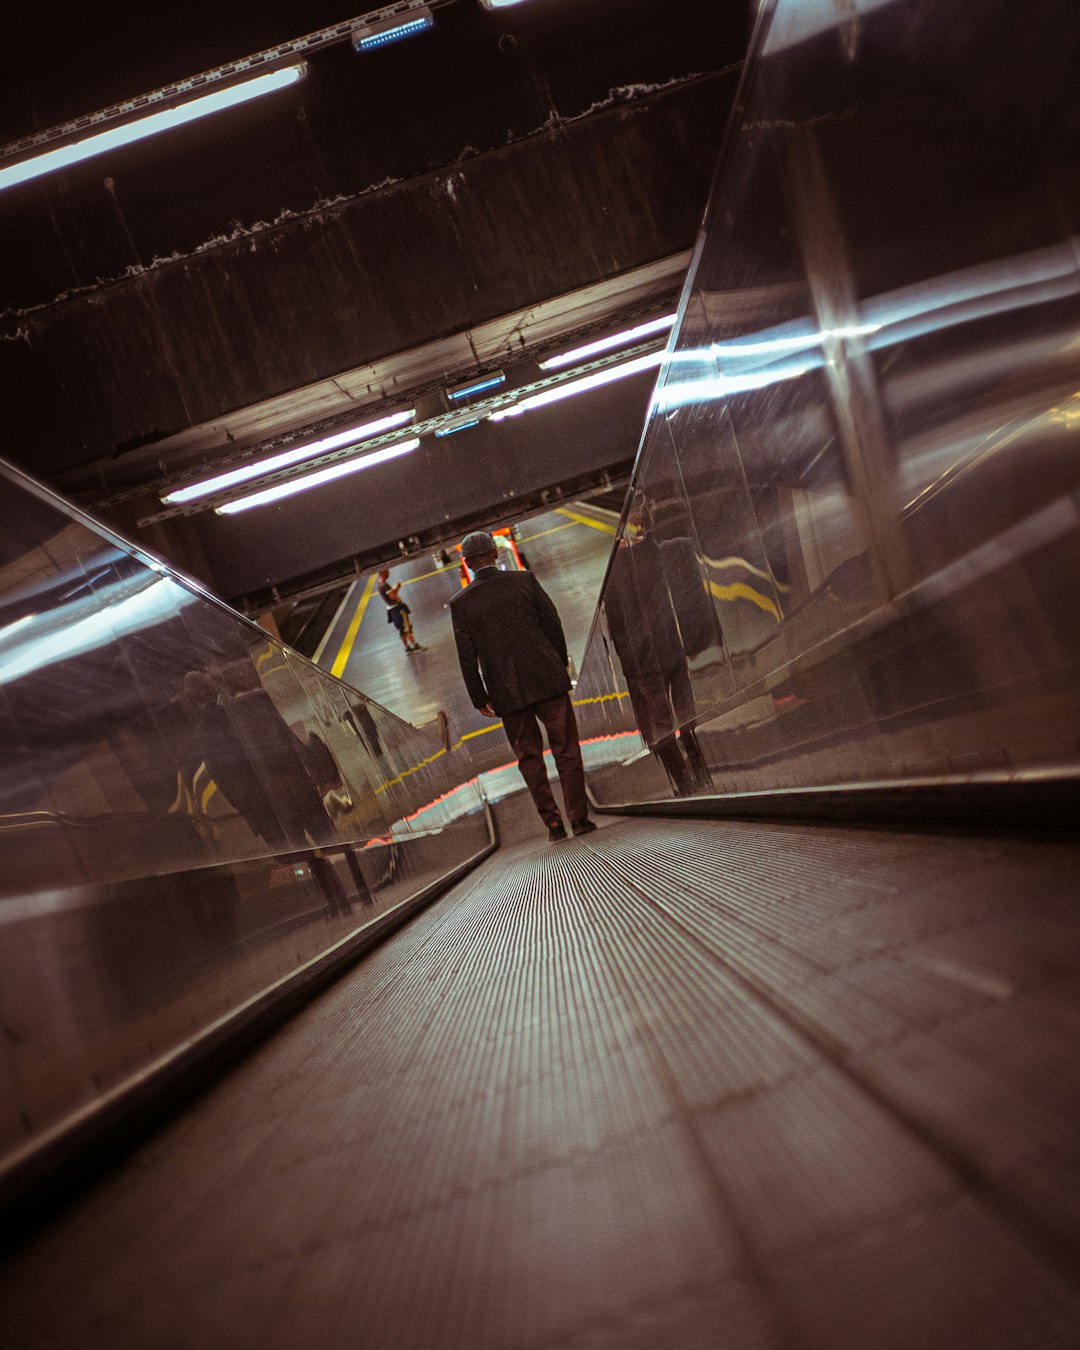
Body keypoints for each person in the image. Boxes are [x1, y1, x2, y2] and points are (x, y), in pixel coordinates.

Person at [450, 530, 596, 842]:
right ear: (494, 553)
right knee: (566, 749)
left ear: (466, 563)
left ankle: (554, 826)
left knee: (529, 758)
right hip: (546, 679)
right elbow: (552, 623)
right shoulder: (524, 581)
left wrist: (479, 697)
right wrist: (558, 662)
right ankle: (579, 819)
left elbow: (467, 656)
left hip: (506, 693)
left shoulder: (461, 603)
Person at [377, 568, 425, 653]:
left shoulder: (380, 585)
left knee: (401, 630)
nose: (389, 573)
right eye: (387, 572)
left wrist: (397, 588)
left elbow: (390, 594)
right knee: (406, 627)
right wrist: (398, 595)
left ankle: (407, 648)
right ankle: (415, 646)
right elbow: (392, 596)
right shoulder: (384, 585)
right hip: (398, 609)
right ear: (383, 573)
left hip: (392, 610)